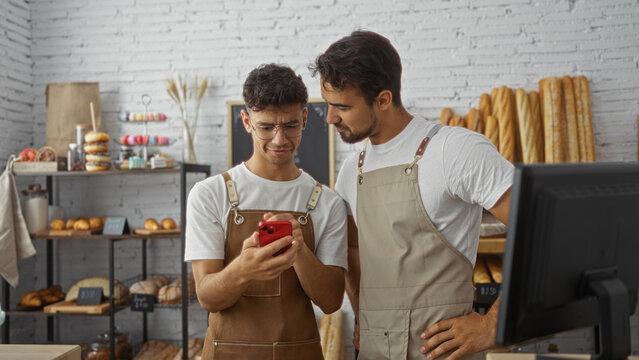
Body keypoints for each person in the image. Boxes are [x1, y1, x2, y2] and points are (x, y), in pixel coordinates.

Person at [310, 30, 513, 360]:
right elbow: (352, 247)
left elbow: (540, 232)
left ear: (384, 99)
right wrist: (364, 313)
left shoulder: (455, 150)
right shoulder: (351, 171)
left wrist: (492, 324)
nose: (330, 117)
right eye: (328, 105)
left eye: (342, 107)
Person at [185, 64, 348, 360]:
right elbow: (207, 296)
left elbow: (331, 301)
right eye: (266, 127)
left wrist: (298, 249)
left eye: (290, 125)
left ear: (305, 118)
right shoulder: (210, 194)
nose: (279, 139)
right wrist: (244, 268)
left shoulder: (327, 203)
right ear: (246, 121)